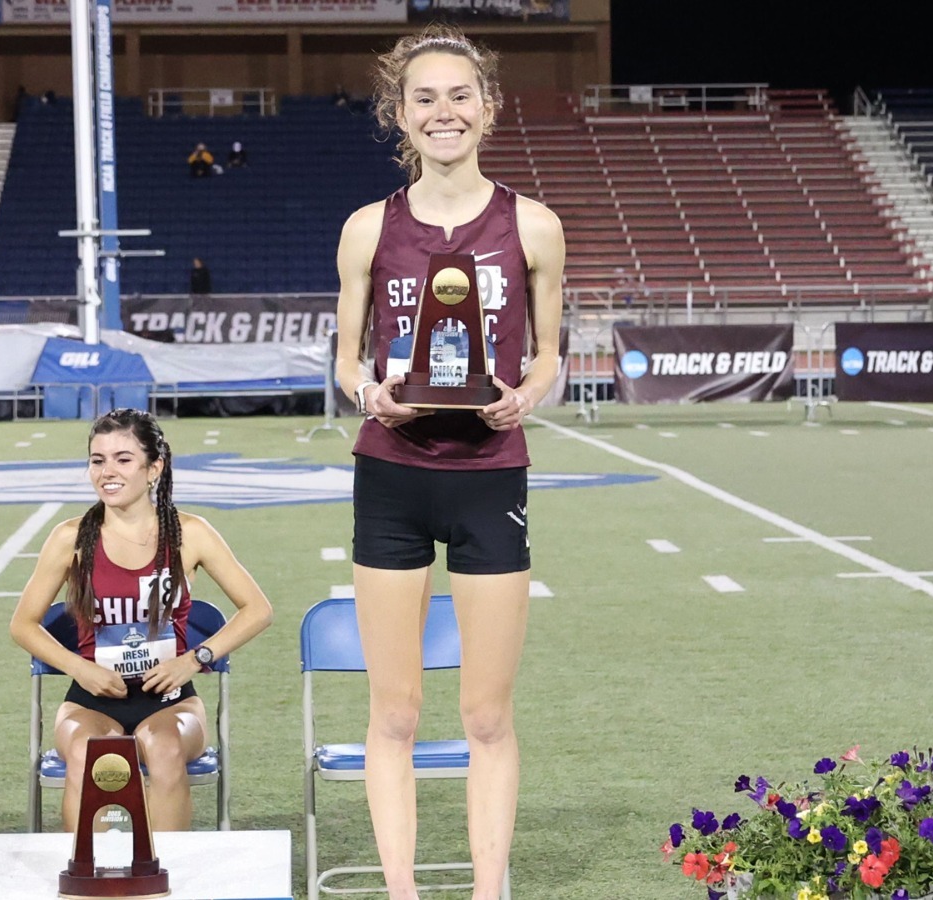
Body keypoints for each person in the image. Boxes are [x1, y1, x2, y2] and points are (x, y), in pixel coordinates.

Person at [332, 24, 564, 900]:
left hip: (490, 473)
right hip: (390, 474)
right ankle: (403, 892)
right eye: (424, 98)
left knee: (485, 715)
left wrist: (527, 396)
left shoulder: (534, 226)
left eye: (459, 95)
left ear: (488, 107)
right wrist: (370, 396)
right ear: (400, 114)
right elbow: (349, 360)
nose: (443, 112)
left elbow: (549, 355)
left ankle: (483, 890)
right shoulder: (367, 229)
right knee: (393, 712)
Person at [9, 409, 273, 832]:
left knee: (164, 747)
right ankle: (88, 882)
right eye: (98, 460)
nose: (107, 472)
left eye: (122, 459)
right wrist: (79, 667)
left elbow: (258, 609)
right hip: (91, 699)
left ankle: (159, 879)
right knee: (91, 751)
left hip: (171, 700)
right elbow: (22, 624)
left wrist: (193, 659)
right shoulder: (70, 538)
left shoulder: (191, 533)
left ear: (154, 468)